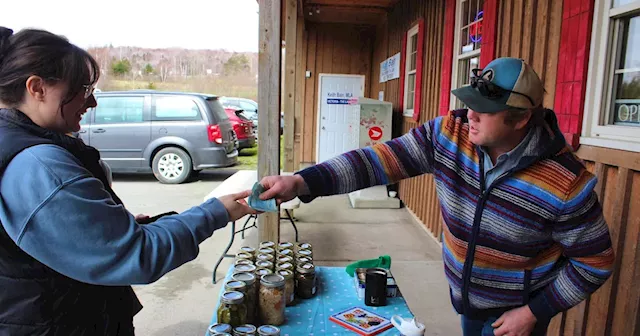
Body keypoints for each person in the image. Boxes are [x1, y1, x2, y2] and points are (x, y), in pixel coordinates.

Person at [259, 57, 614, 336]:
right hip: (465, 305)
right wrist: (302, 182)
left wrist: (534, 312)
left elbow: (595, 263)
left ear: (521, 119)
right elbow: (375, 162)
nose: (470, 114)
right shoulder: (448, 134)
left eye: (485, 110)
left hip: (515, 317)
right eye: (471, 102)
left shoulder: (566, 182)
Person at [0, 27, 257, 335]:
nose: (92, 102)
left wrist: (106, 225)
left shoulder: (13, 143)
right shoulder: (40, 166)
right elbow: (138, 254)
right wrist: (216, 212)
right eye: (83, 89)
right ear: (37, 87)